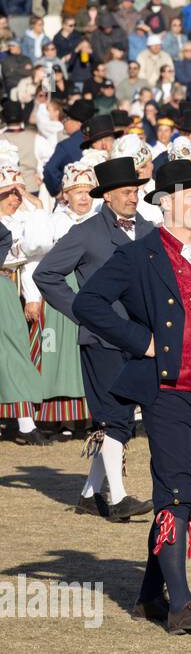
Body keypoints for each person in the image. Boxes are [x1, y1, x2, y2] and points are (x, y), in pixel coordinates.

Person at [72, 157, 191, 634]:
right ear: (165, 203)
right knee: (175, 489)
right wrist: (141, 340)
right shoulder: (140, 254)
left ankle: (150, 595)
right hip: (165, 392)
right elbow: (87, 302)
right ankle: (182, 606)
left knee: (189, 494)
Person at [34, 157, 157, 519]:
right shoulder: (85, 233)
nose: (133, 197)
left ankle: (90, 495)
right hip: (102, 339)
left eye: (136, 190)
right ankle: (117, 500)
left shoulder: (151, 230)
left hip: (140, 338)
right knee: (117, 419)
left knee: (122, 417)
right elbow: (46, 274)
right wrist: (81, 311)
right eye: (126, 192)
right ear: (108, 196)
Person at [16, 160, 96, 443]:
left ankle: (88, 418)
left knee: (87, 355)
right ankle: (58, 418)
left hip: (92, 292)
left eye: (88, 191)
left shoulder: (101, 219)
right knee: (57, 358)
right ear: (66, 194)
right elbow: (35, 261)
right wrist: (34, 297)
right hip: (59, 297)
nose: (84, 197)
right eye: (77, 191)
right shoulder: (53, 222)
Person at [0, 166, 47, 446]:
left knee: (15, 351)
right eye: (9, 193)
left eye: (18, 192)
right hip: (4, 284)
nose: (15, 199)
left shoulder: (23, 221)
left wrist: (32, 296)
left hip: (10, 287)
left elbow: (37, 251)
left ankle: (26, 424)